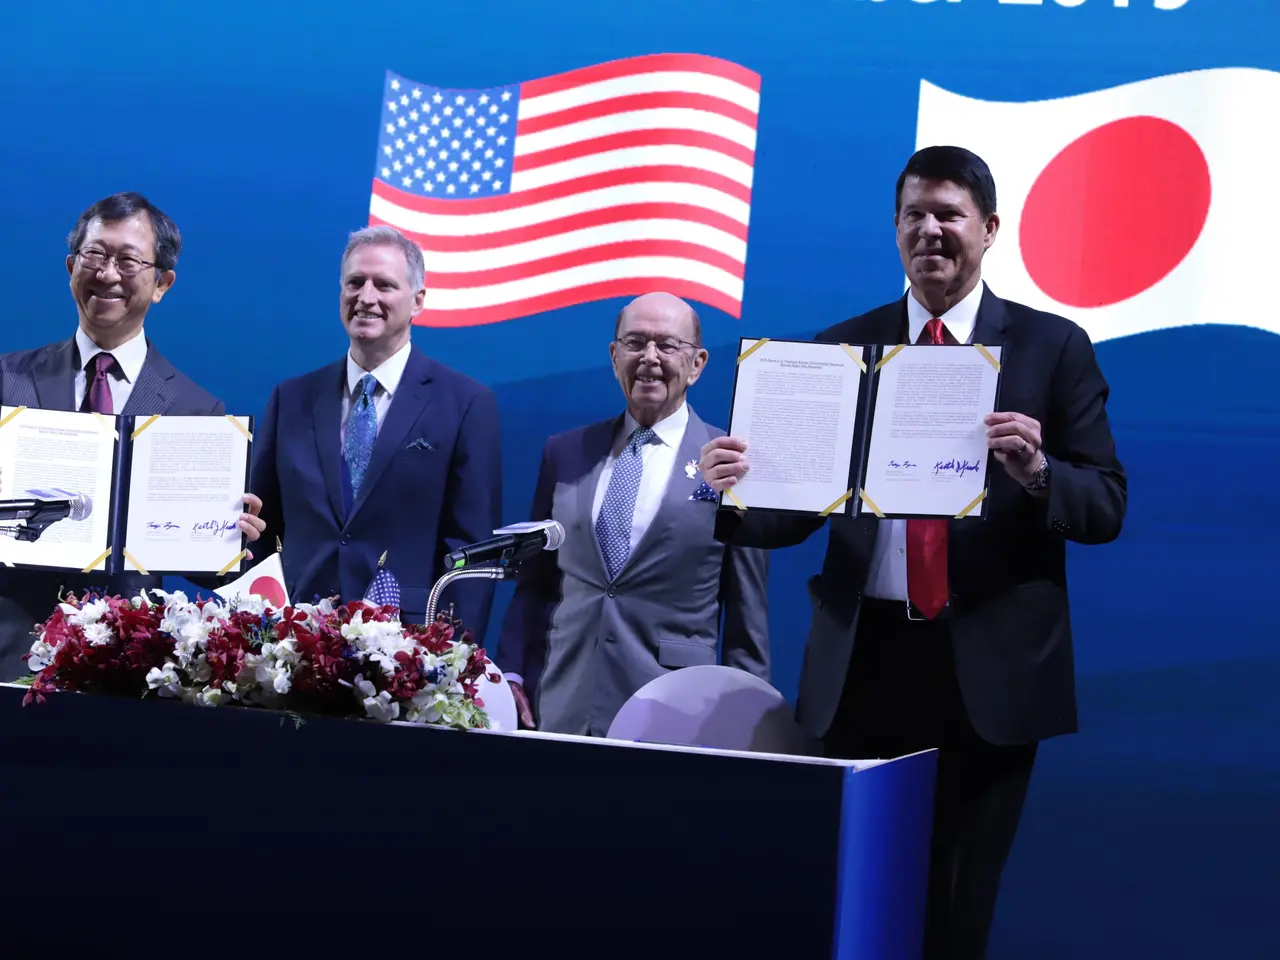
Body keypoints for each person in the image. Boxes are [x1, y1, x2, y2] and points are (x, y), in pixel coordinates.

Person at [699, 146, 1126, 959]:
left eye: (949, 215)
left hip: (987, 671)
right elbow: (790, 517)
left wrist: (1039, 472)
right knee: (854, 902)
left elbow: (1105, 504)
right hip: (862, 664)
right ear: (895, 229)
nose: (930, 230)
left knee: (957, 911)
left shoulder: (1051, 346)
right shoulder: (842, 348)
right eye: (914, 216)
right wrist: (733, 490)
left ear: (989, 229)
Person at [0, 192, 265, 682]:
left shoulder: (196, 410)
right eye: (95, 255)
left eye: (127, 261)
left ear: (162, 283)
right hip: (8, 647)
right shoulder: (7, 381)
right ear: (70, 267)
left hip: (124, 663)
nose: (107, 274)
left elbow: (203, 564)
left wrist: (231, 539)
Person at [497, 292, 770, 736]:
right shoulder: (564, 453)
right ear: (614, 356)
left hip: (677, 715)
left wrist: (747, 719)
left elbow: (747, 615)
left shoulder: (729, 465)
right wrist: (511, 670)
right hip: (562, 705)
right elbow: (536, 582)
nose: (649, 357)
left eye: (667, 345)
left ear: (697, 364)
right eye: (635, 342)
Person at [250, 225, 502, 638]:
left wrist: (451, 654)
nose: (366, 297)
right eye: (355, 283)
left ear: (418, 300)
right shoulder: (291, 399)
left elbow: (471, 554)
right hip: (296, 640)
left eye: (384, 285)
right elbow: (259, 530)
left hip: (408, 648)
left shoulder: (465, 404)